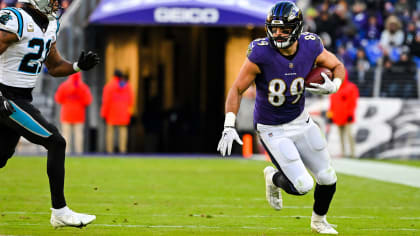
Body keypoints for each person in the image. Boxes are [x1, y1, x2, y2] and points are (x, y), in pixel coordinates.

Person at [217, 1, 345, 234]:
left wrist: (334, 86)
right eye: (274, 28)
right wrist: (229, 124)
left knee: (328, 178)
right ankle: (274, 177)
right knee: (302, 185)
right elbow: (236, 89)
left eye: (284, 29)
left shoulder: (311, 45)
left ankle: (318, 221)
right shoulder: (260, 52)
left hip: (301, 120)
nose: (277, 33)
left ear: (296, 28)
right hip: (272, 128)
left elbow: (337, 66)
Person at [0, 0, 99, 228]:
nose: (56, 3)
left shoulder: (49, 25)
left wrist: (76, 66)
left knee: (1, 156)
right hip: (5, 97)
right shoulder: (15, 18)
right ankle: (60, 211)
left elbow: (53, 66)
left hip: (21, 98)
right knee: (56, 141)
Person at [55, 72, 92, 154]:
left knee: (66, 135)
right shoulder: (83, 87)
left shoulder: (64, 86)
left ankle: (66, 153)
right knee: (79, 135)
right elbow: (88, 101)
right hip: (79, 114)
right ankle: (79, 153)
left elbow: (58, 98)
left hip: (66, 114)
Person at [327, 69, 359, 158]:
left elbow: (353, 102)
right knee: (341, 136)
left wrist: (350, 114)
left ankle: (353, 153)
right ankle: (344, 153)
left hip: (347, 116)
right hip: (338, 116)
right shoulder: (335, 88)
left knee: (350, 135)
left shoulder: (351, 87)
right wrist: (330, 115)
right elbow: (332, 104)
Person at [101, 70, 134, 154]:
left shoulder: (109, 86)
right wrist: (130, 113)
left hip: (112, 113)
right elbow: (131, 101)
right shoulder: (127, 86)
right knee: (123, 132)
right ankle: (123, 150)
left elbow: (106, 102)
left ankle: (110, 150)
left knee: (110, 132)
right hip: (123, 113)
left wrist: (104, 114)